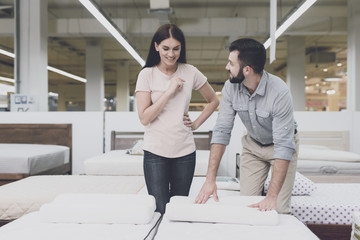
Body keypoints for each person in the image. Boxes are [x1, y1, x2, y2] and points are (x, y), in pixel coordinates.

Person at [195, 38, 299, 214]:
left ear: (247, 70)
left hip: (280, 147)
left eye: (231, 63)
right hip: (253, 146)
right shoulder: (230, 87)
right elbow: (222, 131)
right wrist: (210, 179)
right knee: (247, 206)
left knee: (278, 209)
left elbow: (283, 147)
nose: (227, 67)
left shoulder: (279, 92)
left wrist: (272, 197)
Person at [135, 24, 219, 214]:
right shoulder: (146, 74)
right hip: (155, 152)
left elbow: (213, 100)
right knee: (160, 209)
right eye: (165, 48)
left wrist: (196, 123)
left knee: (178, 210)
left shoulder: (190, 71)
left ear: (182, 48)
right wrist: (169, 91)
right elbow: (144, 118)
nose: (171, 54)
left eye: (176, 49)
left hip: (185, 152)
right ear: (156, 46)